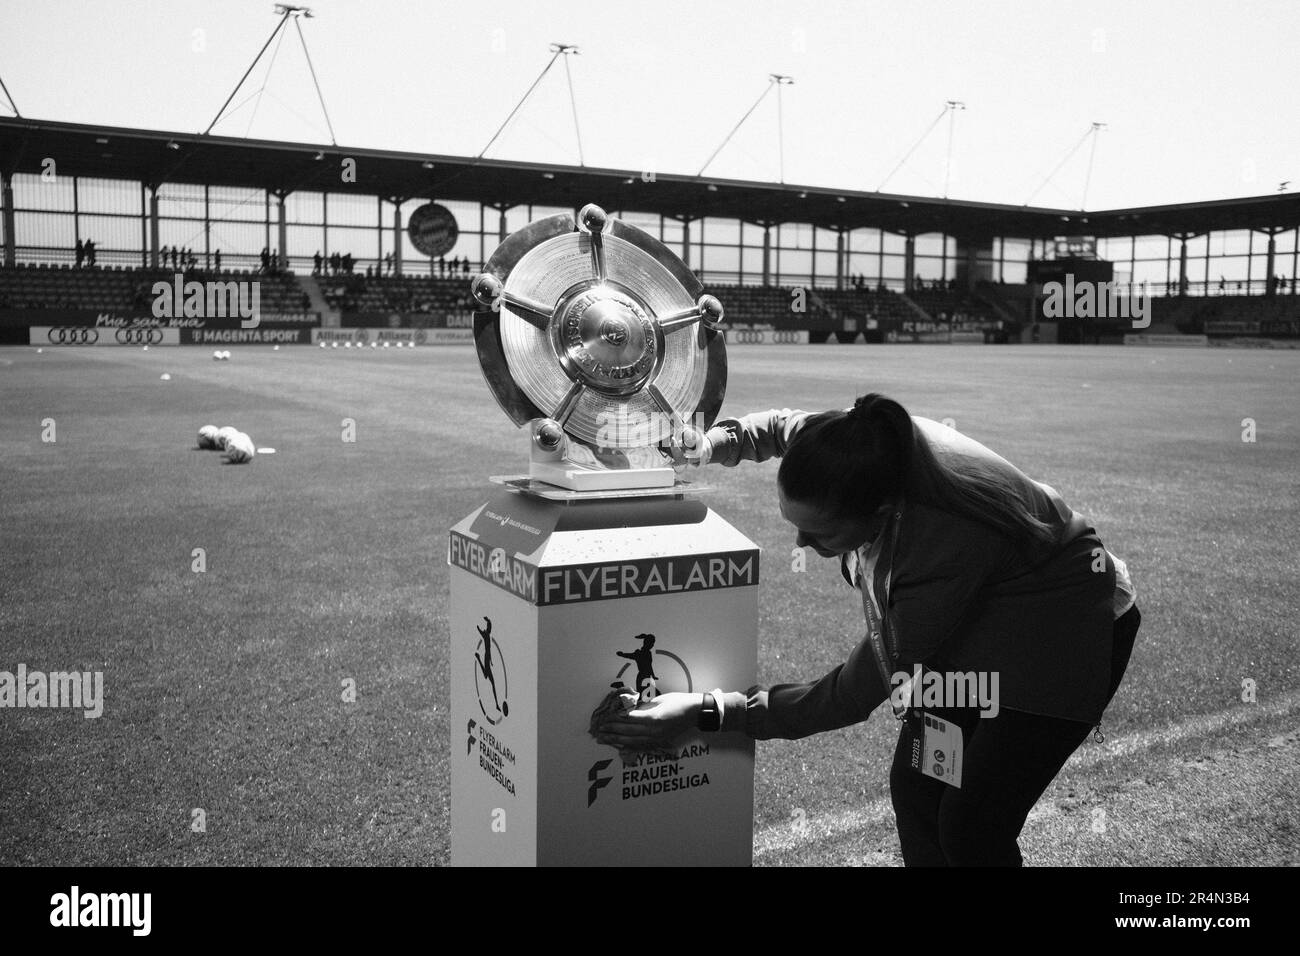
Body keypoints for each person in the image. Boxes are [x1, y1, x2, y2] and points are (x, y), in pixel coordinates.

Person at [595, 395, 1140, 867]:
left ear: (880, 513)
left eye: (820, 532)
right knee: (917, 790)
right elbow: (783, 426)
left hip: (1061, 633)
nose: (802, 545)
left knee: (974, 822)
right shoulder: (851, 445)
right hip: (977, 615)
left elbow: (853, 693)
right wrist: (712, 442)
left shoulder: (934, 545)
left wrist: (715, 710)